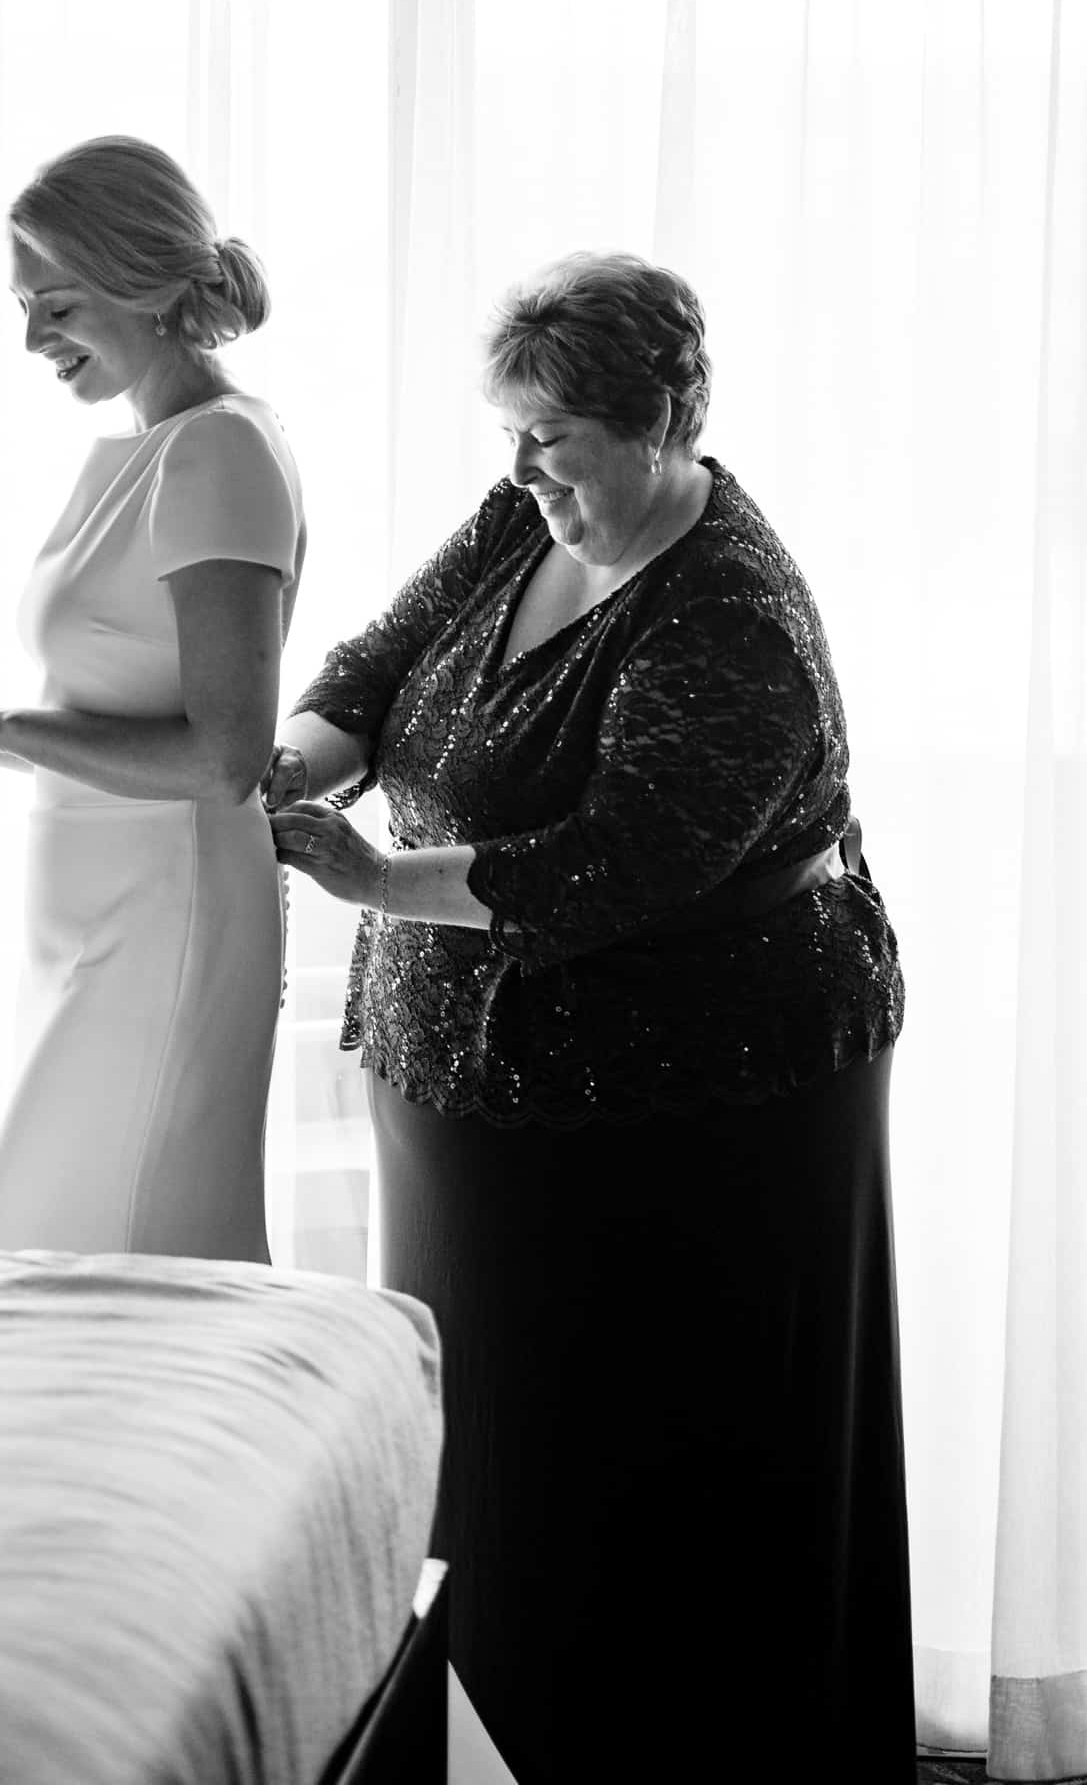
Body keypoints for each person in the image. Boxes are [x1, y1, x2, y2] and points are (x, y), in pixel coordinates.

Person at [263, 251, 913, 1784]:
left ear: (663, 417)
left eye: (553, 437)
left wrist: (369, 871)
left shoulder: (728, 609)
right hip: (467, 1074)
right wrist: (292, 760)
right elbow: (378, 656)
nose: (522, 468)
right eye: (512, 432)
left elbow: (619, 863)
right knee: (492, 1443)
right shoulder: (520, 514)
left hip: (695, 1095)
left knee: (643, 1452)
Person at [0, 135, 306, 1263]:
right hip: (99, 906)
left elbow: (224, 758)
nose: (33, 338)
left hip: (169, 910)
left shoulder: (220, 453)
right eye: (23, 305)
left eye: (55, 304)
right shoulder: (151, 448)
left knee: (122, 1250)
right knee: (66, 1243)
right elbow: (122, 706)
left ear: (146, 286)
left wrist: (3, 728)